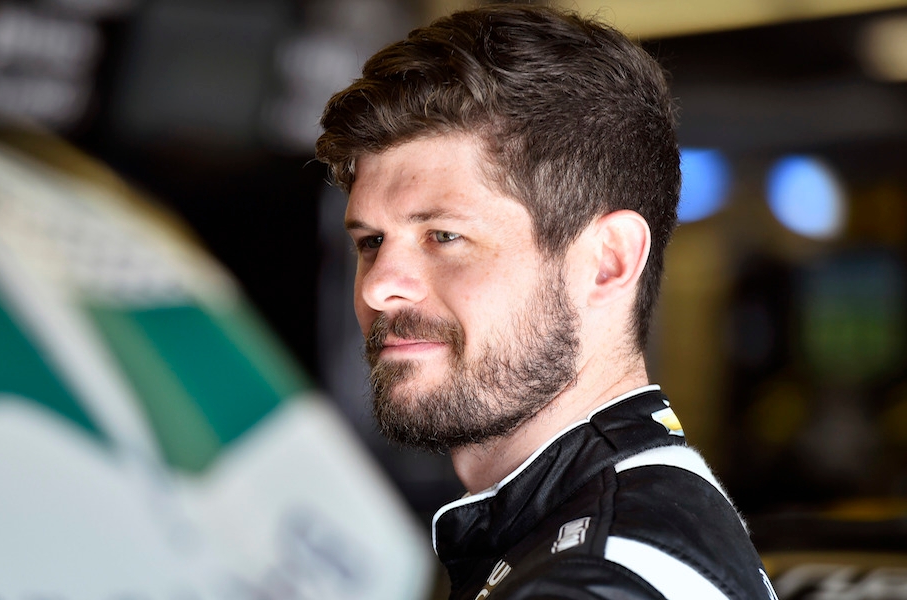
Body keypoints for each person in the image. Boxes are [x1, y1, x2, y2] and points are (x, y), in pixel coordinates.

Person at [316, 5, 777, 599]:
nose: (378, 286)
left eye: (444, 236)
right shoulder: (621, 524)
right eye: (371, 242)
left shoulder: (597, 578)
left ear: (607, 261)